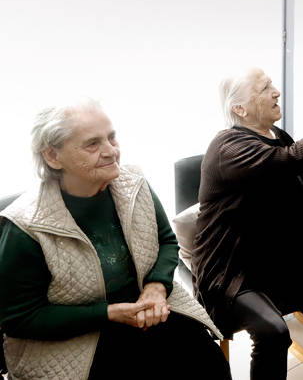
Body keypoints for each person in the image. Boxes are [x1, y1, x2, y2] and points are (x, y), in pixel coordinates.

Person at [0, 99, 230, 380]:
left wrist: (156, 287)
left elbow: (167, 241)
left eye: (112, 137)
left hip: (145, 308)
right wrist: (107, 313)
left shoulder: (134, 184)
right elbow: (19, 318)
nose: (111, 151)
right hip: (75, 337)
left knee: (207, 360)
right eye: (92, 144)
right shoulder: (24, 226)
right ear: (52, 156)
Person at [191, 68, 303, 380]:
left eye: (272, 84)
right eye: (264, 88)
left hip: (278, 259)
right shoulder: (227, 147)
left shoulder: (278, 136)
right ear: (240, 108)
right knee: (274, 332)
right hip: (234, 271)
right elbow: (292, 159)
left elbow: (301, 189)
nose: (276, 91)